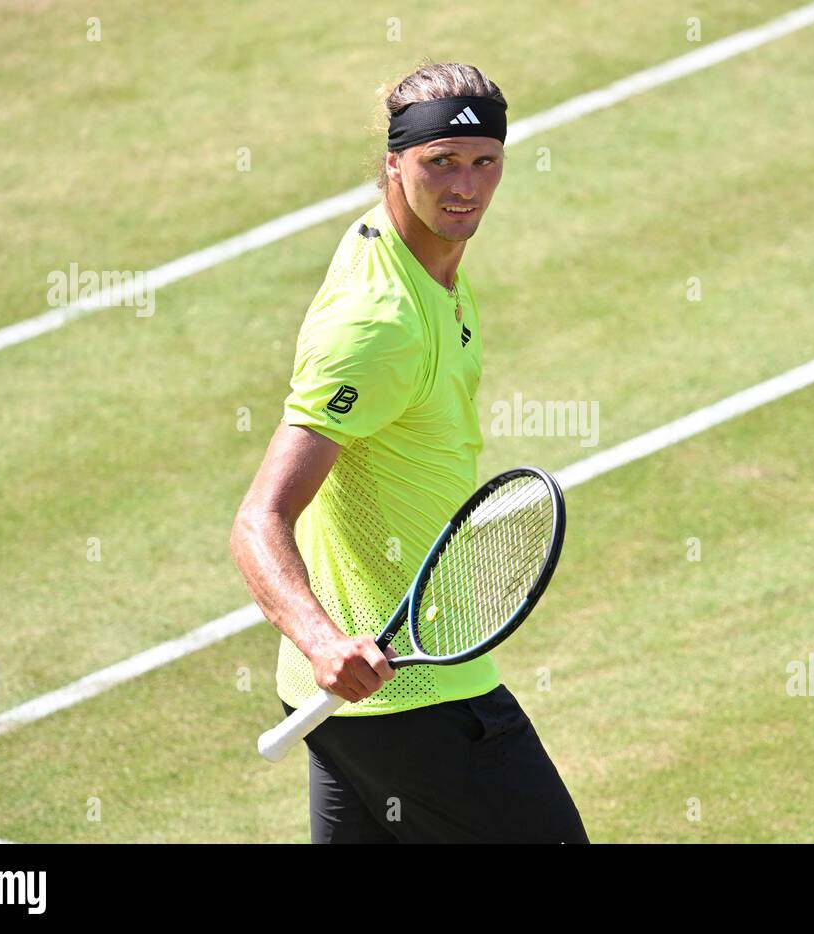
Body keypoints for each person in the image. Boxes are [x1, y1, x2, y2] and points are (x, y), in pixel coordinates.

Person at [230, 61, 588, 844]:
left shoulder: (410, 257)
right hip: (412, 698)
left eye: (484, 161)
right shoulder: (378, 322)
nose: (466, 186)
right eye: (440, 163)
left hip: (355, 702)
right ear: (395, 162)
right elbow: (259, 518)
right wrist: (326, 642)